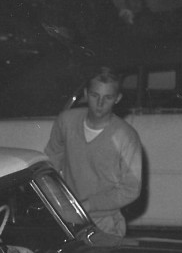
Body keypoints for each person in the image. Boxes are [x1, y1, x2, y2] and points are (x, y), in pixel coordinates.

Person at [43, 67, 143, 237]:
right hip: (67, 220)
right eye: (95, 95)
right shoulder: (66, 121)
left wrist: (87, 205)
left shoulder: (126, 136)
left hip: (105, 223)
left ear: (117, 99)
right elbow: (50, 162)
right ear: (86, 93)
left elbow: (131, 189)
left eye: (108, 97)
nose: (100, 103)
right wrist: (56, 201)